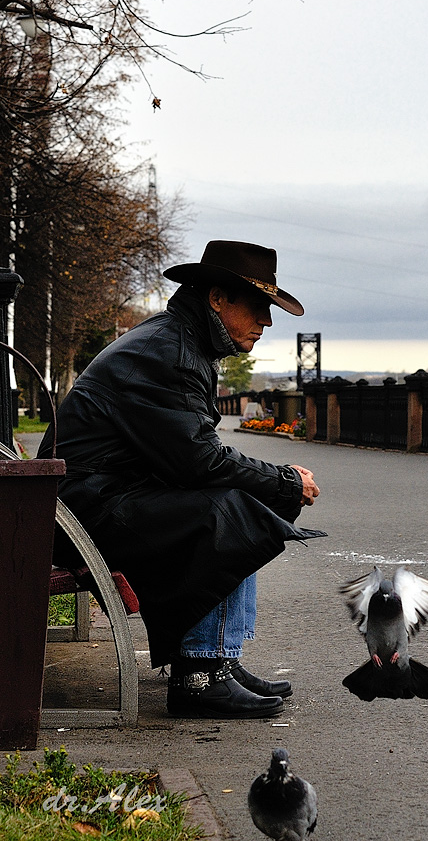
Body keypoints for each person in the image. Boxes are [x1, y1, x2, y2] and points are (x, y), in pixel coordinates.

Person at [39, 240, 324, 719]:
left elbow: (189, 454)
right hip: (80, 515)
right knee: (229, 511)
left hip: (92, 501)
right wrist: (283, 480)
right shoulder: (168, 353)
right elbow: (197, 462)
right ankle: (200, 675)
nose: (266, 322)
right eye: (258, 306)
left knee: (240, 499)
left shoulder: (180, 342)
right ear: (217, 299)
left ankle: (219, 659)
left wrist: (276, 482)